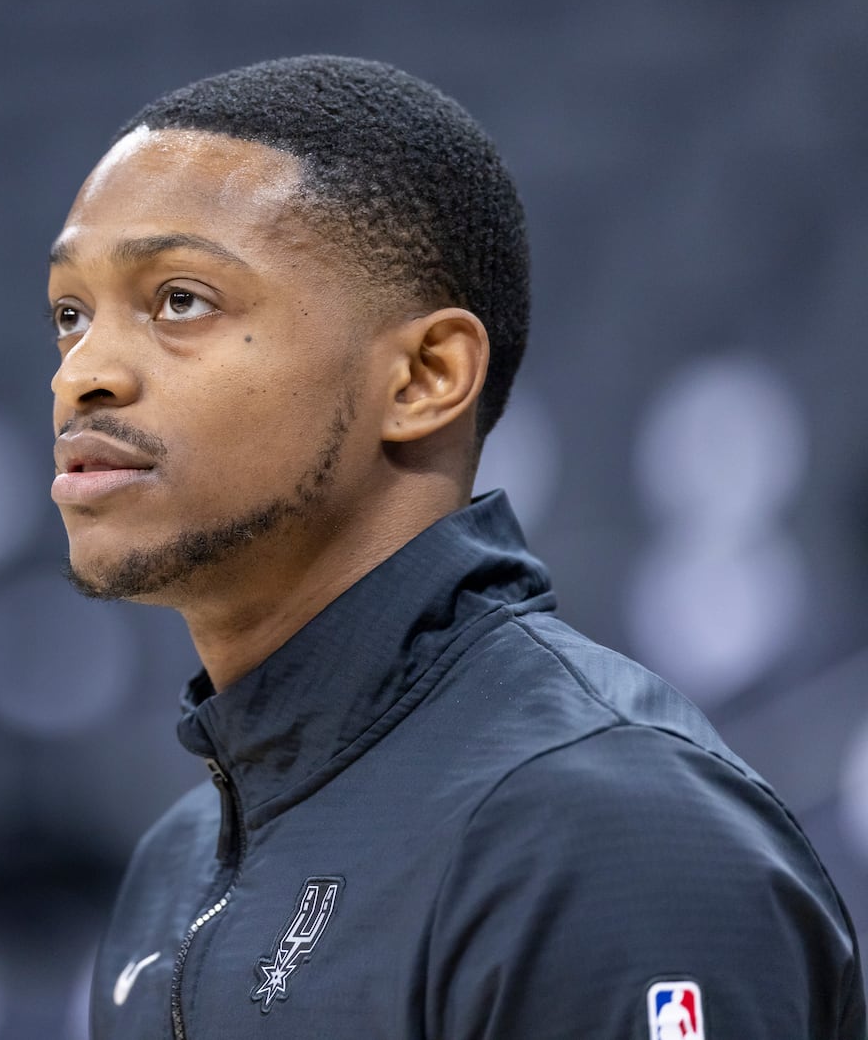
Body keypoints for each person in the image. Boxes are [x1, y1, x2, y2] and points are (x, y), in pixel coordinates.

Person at [46, 55, 864, 1039]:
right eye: (70, 314)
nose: (82, 373)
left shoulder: (606, 833)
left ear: (425, 375)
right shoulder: (174, 865)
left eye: (181, 299)